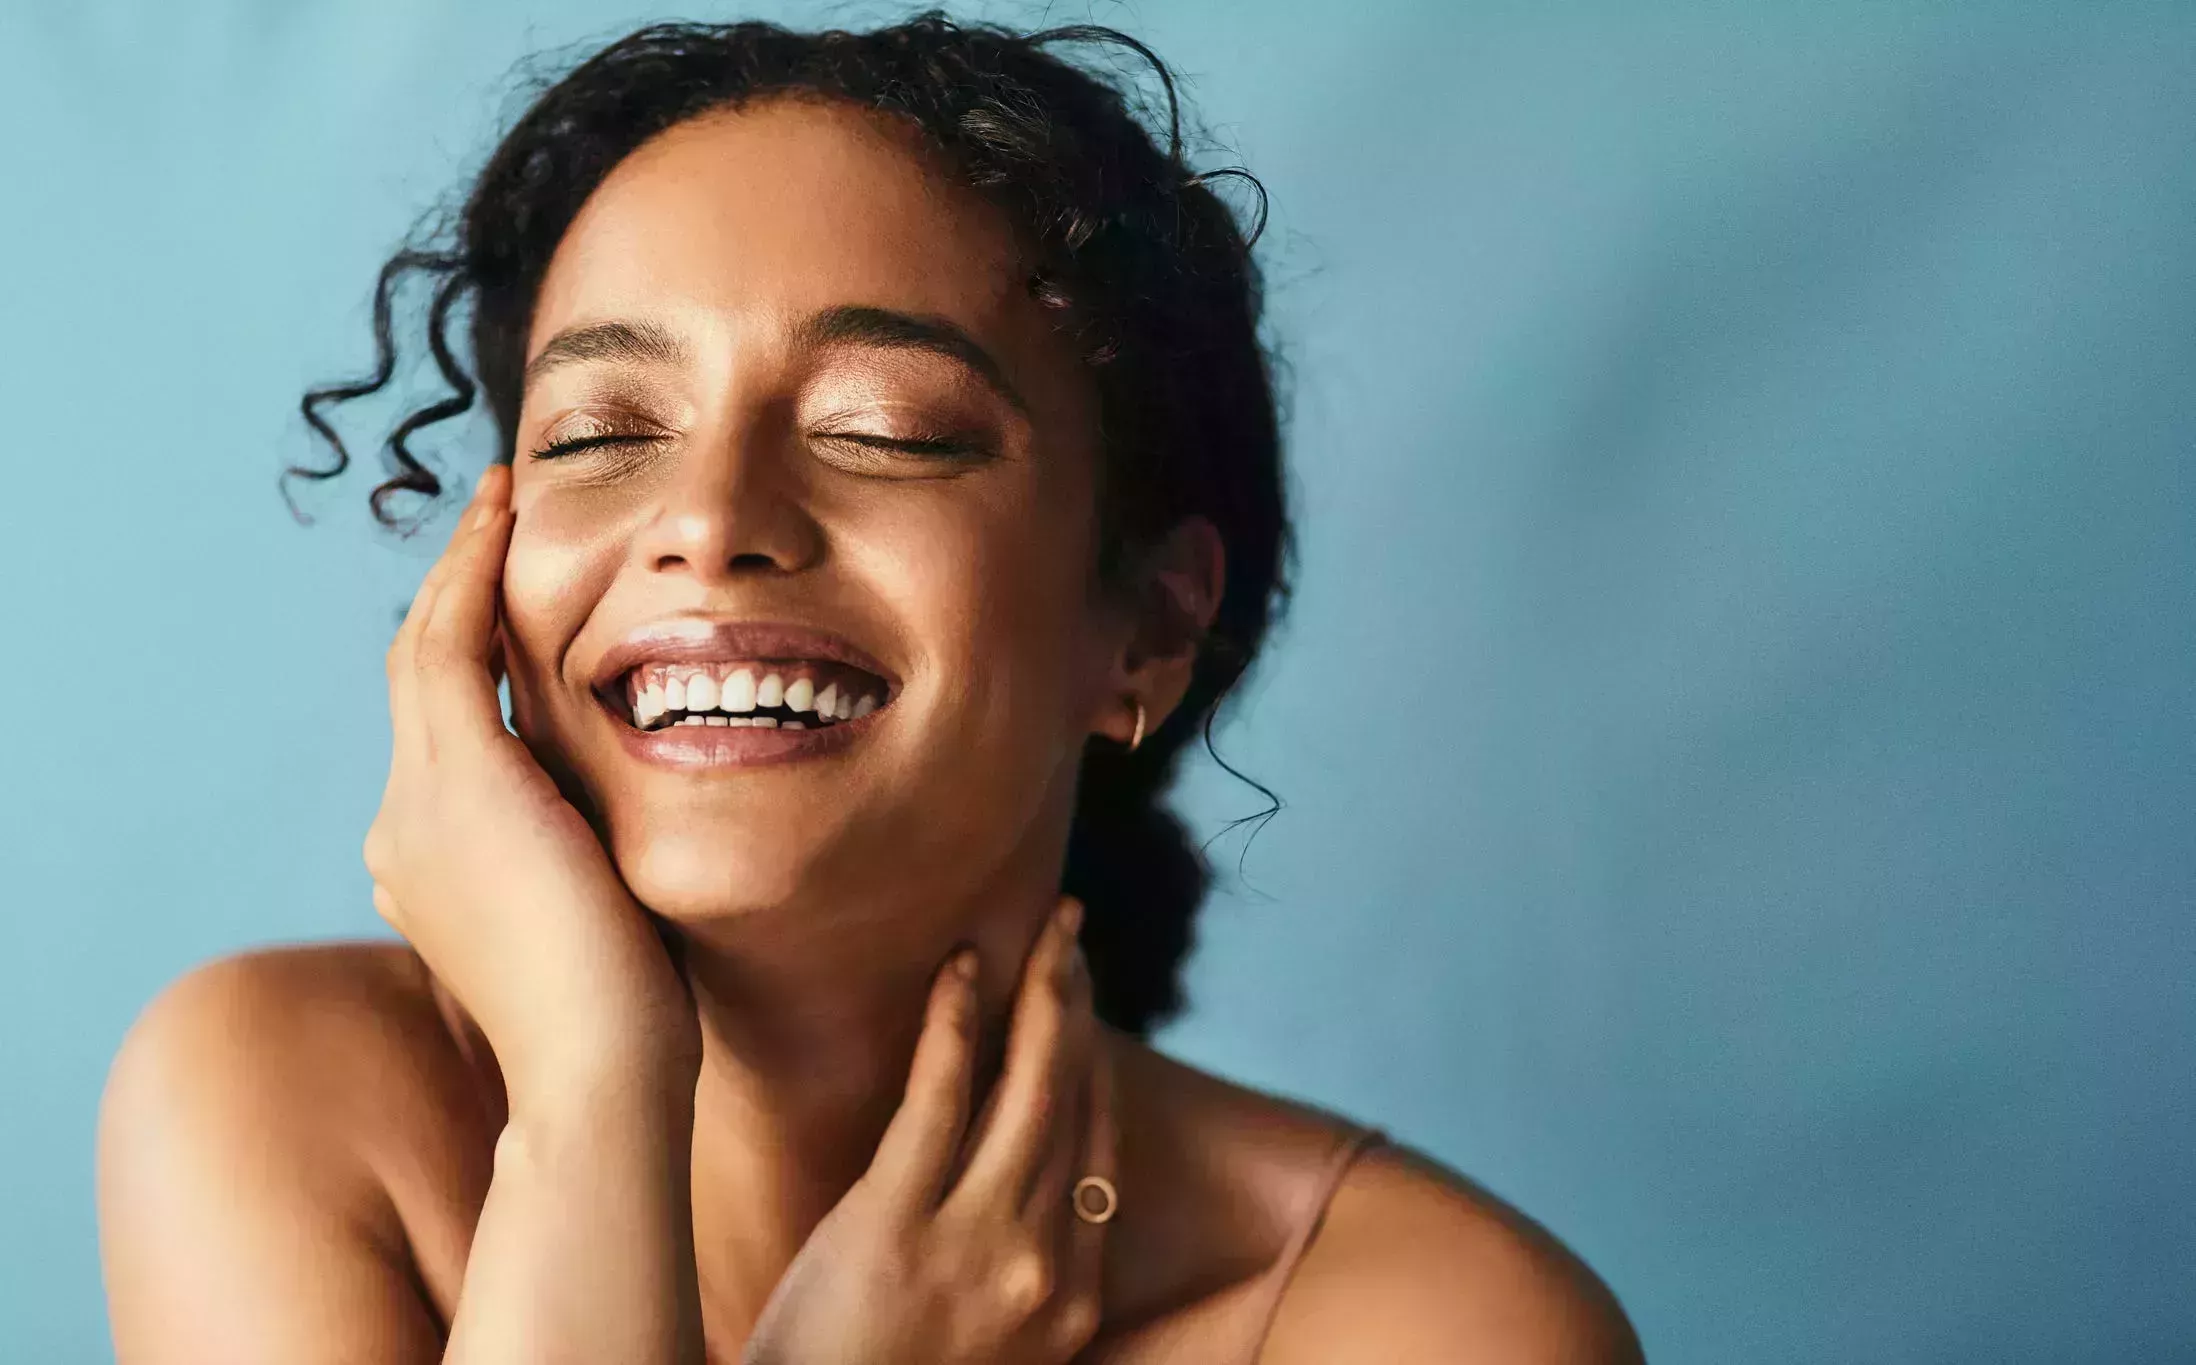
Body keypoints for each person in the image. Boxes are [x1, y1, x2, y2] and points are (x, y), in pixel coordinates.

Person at [95, 13, 1643, 1363]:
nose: (707, 520)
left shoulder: (1437, 1325)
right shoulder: (279, 1104)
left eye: (890, 427)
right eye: (596, 434)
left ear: (1149, 632)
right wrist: (591, 1092)